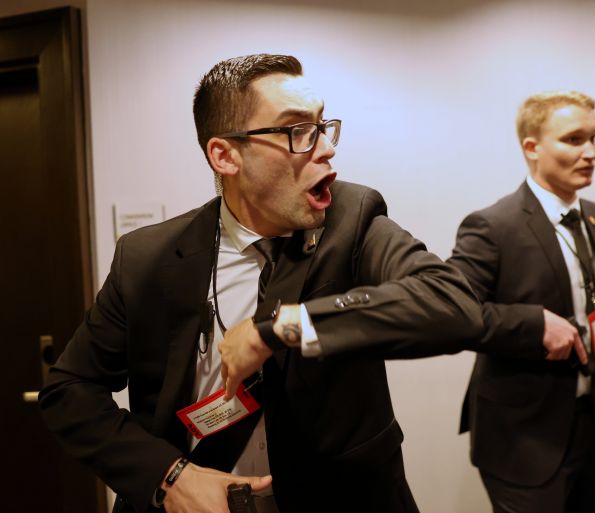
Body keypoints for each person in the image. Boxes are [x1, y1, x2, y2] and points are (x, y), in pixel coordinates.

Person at [39, 53, 483, 513]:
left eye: (321, 126)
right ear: (225, 155)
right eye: (296, 132)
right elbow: (69, 390)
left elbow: (453, 305)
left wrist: (282, 327)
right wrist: (169, 478)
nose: (325, 149)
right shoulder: (147, 257)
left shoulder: (353, 221)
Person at [448, 90, 595, 513]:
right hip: (521, 436)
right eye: (574, 139)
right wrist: (535, 325)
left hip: (588, 422)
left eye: (594, 138)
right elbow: (456, 314)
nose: (591, 152)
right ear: (531, 147)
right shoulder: (491, 226)